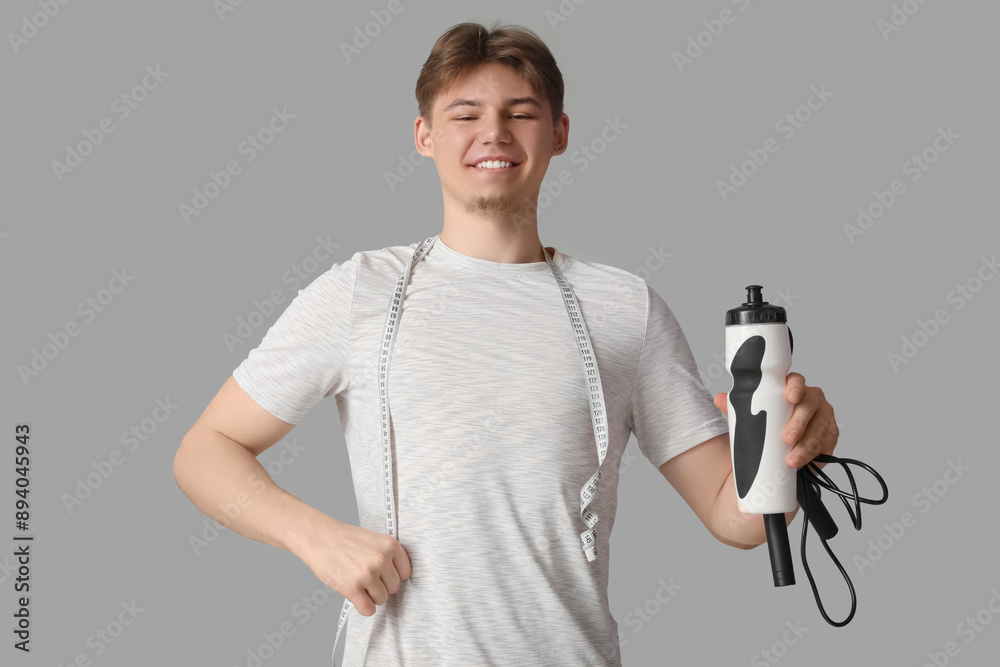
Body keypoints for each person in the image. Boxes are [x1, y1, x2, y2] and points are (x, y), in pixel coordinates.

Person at [173, 20, 841, 666]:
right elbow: (204, 452)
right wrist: (316, 539)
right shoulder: (361, 293)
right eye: (464, 114)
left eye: (520, 113)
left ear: (559, 134)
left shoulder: (624, 308)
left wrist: (793, 448)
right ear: (424, 135)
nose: (493, 132)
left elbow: (735, 517)